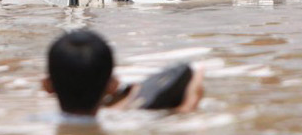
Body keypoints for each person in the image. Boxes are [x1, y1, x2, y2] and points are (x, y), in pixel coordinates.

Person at [44, 30, 203, 119]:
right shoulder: (120, 123)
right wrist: (191, 101)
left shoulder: (36, 124)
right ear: (113, 85)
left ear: (46, 85)